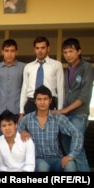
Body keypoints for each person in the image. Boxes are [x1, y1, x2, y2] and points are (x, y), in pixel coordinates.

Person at [52, 38, 94, 172]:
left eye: (71, 51)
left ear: (79, 51)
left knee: (77, 149)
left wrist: (64, 110)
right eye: (65, 52)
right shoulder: (67, 70)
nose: (68, 54)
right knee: (69, 150)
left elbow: (84, 96)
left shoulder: (86, 68)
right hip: (66, 116)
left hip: (79, 115)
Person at [18, 85, 83, 172]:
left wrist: (71, 155)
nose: (42, 102)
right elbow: (16, 130)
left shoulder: (58, 118)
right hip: (38, 159)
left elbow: (77, 133)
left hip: (57, 159)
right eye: (39, 99)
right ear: (35, 101)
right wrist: (22, 131)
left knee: (70, 165)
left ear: (50, 100)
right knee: (42, 167)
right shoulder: (28, 118)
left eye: (45, 99)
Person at [20, 36, 64, 118]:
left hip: (49, 103)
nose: (40, 50)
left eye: (43, 48)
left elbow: (60, 89)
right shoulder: (28, 67)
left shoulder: (56, 65)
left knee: (49, 130)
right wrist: (21, 111)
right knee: (30, 130)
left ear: (48, 48)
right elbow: (24, 89)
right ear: (34, 49)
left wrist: (60, 110)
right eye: (37, 48)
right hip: (31, 103)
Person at [0, 39, 25, 138]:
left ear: (16, 52)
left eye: (12, 51)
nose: (9, 54)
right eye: (6, 51)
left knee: (17, 142)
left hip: (16, 111)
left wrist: (22, 111)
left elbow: (25, 90)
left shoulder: (23, 67)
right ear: (2, 52)